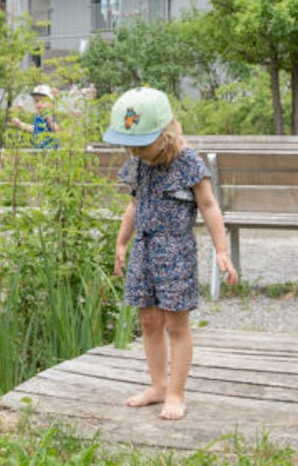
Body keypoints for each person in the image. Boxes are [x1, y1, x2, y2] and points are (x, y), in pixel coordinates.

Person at [102, 86, 238, 421]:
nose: (134, 151)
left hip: (175, 250)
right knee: (148, 321)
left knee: (176, 323)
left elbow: (209, 206)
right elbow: (133, 206)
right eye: (128, 145)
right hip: (144, 250)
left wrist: (222, 250)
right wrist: (122, 242)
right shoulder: (138, 164)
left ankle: (176, 392)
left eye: (140, 143)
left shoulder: (189, 163)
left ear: (166, 133)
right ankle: (158, 386)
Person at [9, 84, 60, 149]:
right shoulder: (37, 116)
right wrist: (20, 124)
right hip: (40, 150)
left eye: (43, 101)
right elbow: (35, 129)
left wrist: (49, 118)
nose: (39, 104)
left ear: (50, 103)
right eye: (36, 101)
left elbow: (55, 129)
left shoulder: (48, 115)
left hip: (51, 150)